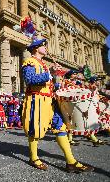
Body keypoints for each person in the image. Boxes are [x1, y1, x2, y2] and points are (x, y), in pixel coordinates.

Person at [21, 38, 93, 172]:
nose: (46, 48)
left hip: (50, 101)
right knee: (35, 129)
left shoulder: (43, 64)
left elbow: (48, 84)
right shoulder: (29, 61)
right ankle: (34, 157)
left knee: (61, 128)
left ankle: (71, 161)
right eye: (44, 45)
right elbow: (30, 79)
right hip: (37, 100)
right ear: (36, 48)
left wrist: (59, 85)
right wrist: (50, 73)